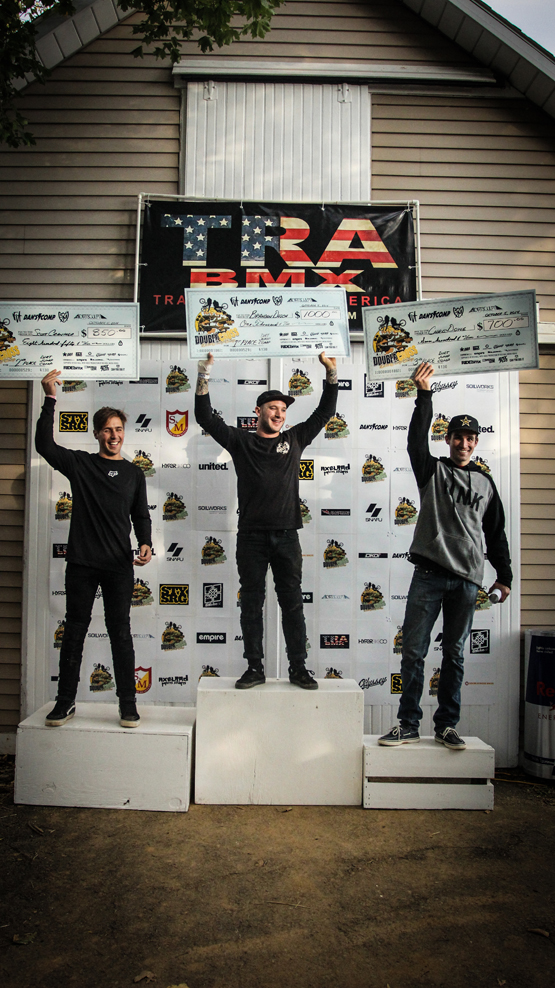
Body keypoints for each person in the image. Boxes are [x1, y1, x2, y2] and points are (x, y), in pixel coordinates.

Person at [379, 361, 512, 750]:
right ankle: (407, 723)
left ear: (476, 442)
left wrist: (504, 576)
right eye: (458, 437)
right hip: (429, 575)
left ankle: (446, 725)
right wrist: (424, 395)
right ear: (449, 438)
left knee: (453, 656)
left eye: (471, 438)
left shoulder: (486, 483)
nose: (464, 443)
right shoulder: (432, 470)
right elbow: (414, 442)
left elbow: (496, 533)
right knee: (414, 653)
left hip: (468, 581)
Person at [195, 351, 338, 690]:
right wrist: (204, 374)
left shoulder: (295, 439)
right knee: (252, 606)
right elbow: (205, 417)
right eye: (273, 408)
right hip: (252, 538)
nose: (280, 414)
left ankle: (298, 668)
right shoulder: (240, 441)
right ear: (258, 412)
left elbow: (325, 412)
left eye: (284, 410)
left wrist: (331, 374)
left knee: (292, 604)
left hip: (288, 536)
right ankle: (254, 668)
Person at [36, 369, 152, 728]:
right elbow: (44, 445)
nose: (113, 435)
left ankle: (128, 704)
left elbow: (141, 516)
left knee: (121, 633)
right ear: (97, 433)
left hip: (119, 566)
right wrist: (50, 399)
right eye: (107, 429)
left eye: (118, 429)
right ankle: (66, 702)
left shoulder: (134, 474)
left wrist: (146, 543)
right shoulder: (81, 464)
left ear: (123, 433)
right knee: (74, 631)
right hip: (82, 565)